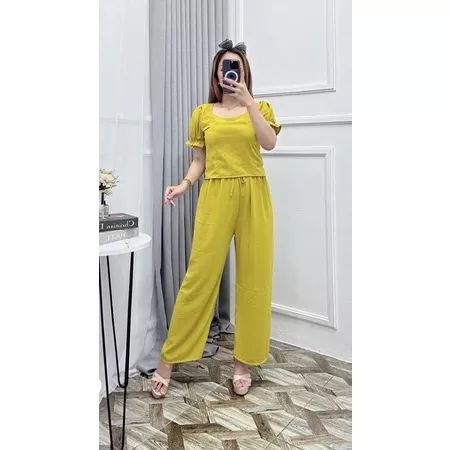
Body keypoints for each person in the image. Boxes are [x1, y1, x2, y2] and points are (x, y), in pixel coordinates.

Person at [151, 38, 282, 398]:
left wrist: (248, 102)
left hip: (254, 193)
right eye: (225, 66)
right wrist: (183, 184)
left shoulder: (261, 107)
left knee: (255, 278)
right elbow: (200, 161)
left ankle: (243, 362)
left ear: (244, 72)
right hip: (215, 193)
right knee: (200, 275)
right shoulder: (202, 114)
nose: (230, 71)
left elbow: (269, 143)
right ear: (216, 73)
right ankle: (168, 359)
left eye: (236, 66)